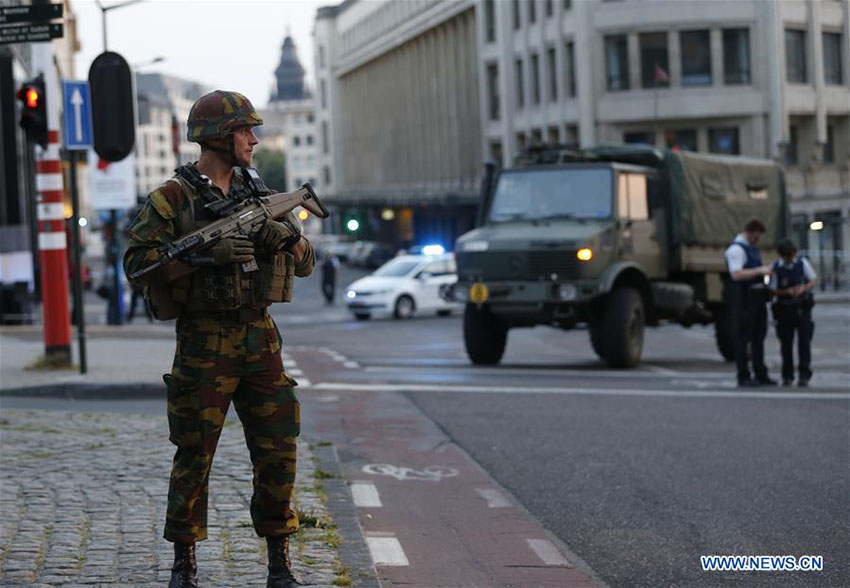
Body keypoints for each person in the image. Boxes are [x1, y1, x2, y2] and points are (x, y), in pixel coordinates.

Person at [123, 90, 314, 588]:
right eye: (244, 130)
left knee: (278, 449)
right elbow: (137, 265)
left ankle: (280, 562)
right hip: (204, 340)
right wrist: (204, 257)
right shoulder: (171, 199)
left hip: (260, 337)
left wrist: (287, 240)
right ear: (218, 138)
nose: (254, 139)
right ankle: (184, 563)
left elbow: (308, 261)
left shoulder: (259, 192)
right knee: (194, 453)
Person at [724, 219, 777, 387]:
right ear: (749, 232)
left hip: (756, 297)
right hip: (743, 299)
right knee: (743, 338)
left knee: (758, 337)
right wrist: (759, 271)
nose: (757, 240)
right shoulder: (736, 250)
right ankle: (743, 375)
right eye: (756, 236)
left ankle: (760, 373)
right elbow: (736, 274)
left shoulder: (751, 248)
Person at [770, 239, 817, 386]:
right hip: (785, 307)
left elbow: (813, 280)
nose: (789, 260)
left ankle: (804, 373)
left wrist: (803, 288)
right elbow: (772, 289)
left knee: (804, 342)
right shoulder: (776, 267)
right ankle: (787, 374)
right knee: (786, 343)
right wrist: (787, 291)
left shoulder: (802, 263)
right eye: (786, 257)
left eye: (791, 256)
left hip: (802, 307)